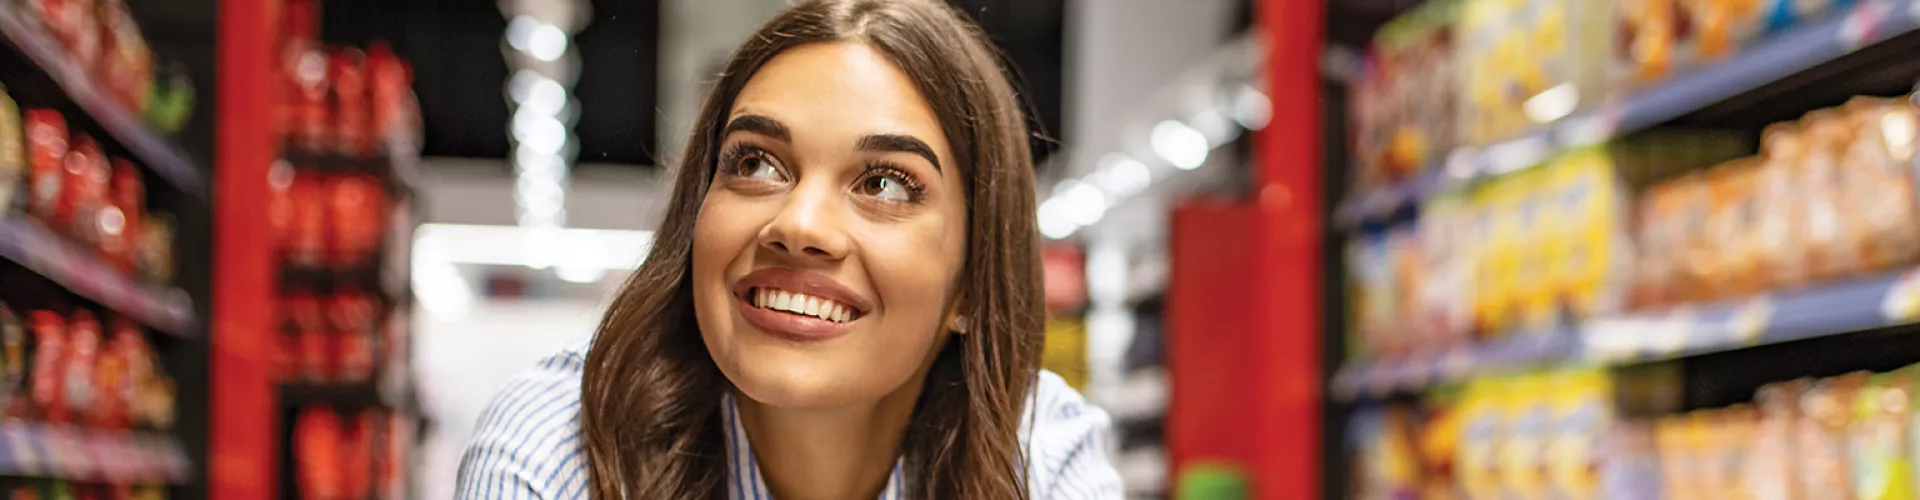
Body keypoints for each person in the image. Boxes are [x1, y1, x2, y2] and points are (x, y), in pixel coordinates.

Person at [455, 0, 1124, 498]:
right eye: (755, 164)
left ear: (972, 284)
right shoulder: (558, 448)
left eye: (886, 183)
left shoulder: (1039, 455)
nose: (798, 224)